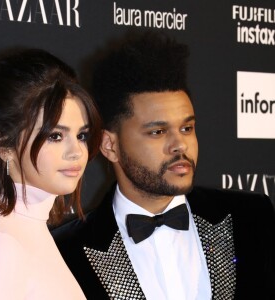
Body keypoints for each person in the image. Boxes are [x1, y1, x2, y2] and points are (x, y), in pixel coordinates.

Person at [52, 32, 275, 299]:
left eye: (187, 128)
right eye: (157, 132)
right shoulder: (66, 251)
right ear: (109, 145)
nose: (180, 145)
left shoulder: (251, 218)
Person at [0, 48, 101, 299]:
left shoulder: (27, 231)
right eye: (55, 136)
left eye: (81, 135)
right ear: (4, 149)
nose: (76, 152)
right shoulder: (1, 244)